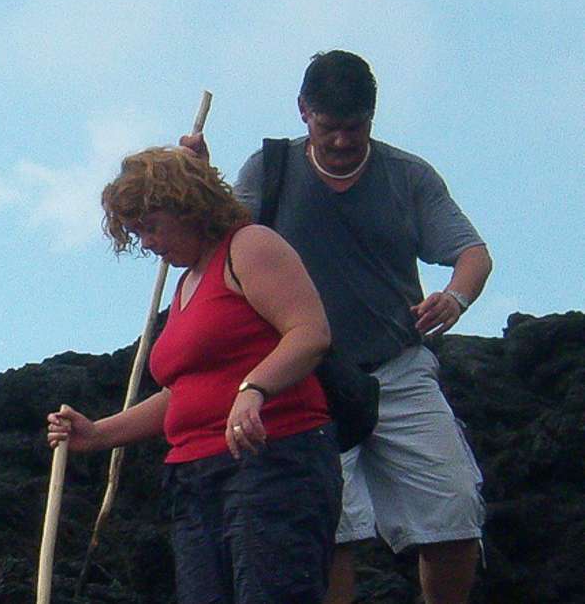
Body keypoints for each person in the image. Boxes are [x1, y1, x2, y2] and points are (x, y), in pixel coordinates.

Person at [186, 51, 491, 604]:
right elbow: (222, 241)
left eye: (356, 127)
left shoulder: (408, 175)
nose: (344, 141)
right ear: (304, 112)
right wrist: (198, 176)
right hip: (306, 377)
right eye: (331, 127)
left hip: (398, 368)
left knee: (453, 514)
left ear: (372, 117)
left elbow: (471, 252)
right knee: (329, 532)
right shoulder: (270, 170)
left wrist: (456, 296)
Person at [47, 146, 338, 604]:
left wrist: (254, 388)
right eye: (138, 232)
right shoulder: (187, 284)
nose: (148, 243)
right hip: (192, 478)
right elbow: (180, 394)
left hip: (270, 461)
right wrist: (99, 434)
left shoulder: (250, 246)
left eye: (151, 226)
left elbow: (309, 332)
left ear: (187, 206)